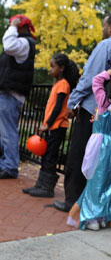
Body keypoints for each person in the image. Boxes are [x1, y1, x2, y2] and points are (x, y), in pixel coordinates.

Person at [53, 13, 111, 212]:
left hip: (93, 110)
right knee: (100, 162)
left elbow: (91, 78)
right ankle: (92, 202)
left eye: (103, 25)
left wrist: (73, 103)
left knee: (79, 156)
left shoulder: (105, 46)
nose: (102, 29)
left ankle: (72, 201)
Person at [67, 66, 111, 230]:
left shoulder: (103, 102)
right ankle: (97, 216)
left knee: (98, 180)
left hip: (100, 145)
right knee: (106, 180)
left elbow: (96, 80)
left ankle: (95, 216)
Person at [22, 53, 80, 197]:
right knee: (46, 156)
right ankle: (40, 185)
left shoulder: (63, 85)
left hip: (57, 126)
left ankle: (46, 189)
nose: (50, 70)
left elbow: (58, 108)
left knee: (50, 157)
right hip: (52, 127)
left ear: (61, 68)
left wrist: (47, 124)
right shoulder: (58, 84)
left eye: (52, 67)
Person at [0, 15, 36, 179]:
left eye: (14, 25)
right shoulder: (22, 43)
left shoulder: (23, 43)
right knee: (5, 132)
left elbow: (8, 45)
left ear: (20, 27)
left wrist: (13, 27)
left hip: (10, 95)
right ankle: (6, 163)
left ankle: (10, 166)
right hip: (8, 93)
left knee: (8, 132)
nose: (11, 28)